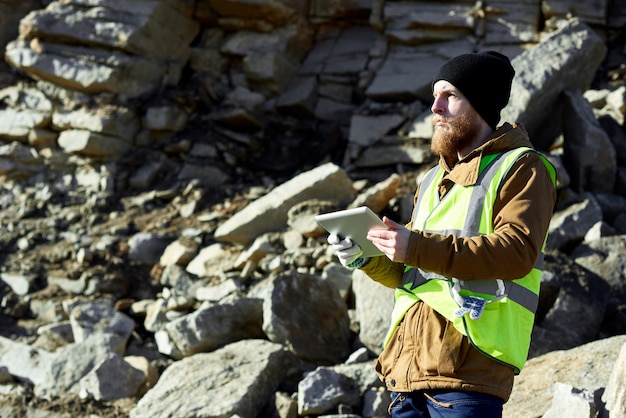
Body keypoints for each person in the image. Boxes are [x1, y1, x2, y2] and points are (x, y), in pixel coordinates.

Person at [328, 51, 557, 417]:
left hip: (468, 374)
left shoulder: (522, 167)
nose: (435, 107)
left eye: (449, 96)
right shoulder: (432, 180)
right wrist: (365, 257)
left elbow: (516, 251)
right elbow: (414, 275)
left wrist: (414, 245)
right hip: (407, 377)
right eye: (435, 95)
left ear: (479, 104)